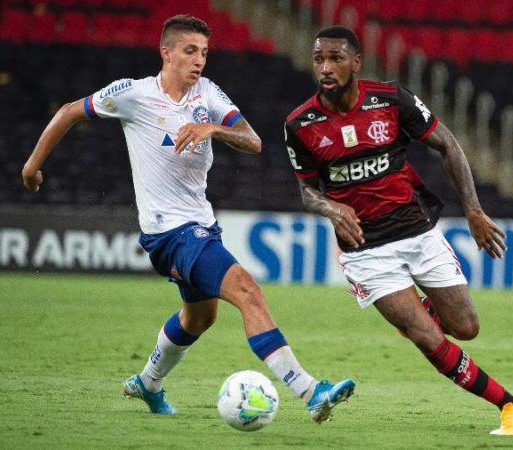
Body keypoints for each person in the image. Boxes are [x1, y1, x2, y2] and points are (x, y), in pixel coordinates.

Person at [21, 15, 354, 423]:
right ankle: (309, 390)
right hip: (169, 233)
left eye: (205, 53)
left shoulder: (208, 93)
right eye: (190, 51)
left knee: (201, 316)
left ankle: (147, 383)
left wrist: (212, 127)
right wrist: (32, 166)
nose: (199, 61)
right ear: (167, 52)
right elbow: (70, 111)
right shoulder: (133, 94)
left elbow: (254, 141)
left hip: (199, 225)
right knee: (248, 291)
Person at [283, 26, 513, 435]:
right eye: (318, 59)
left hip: (417, 232)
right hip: (365, 251)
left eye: (335, 58)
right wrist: (331, 207)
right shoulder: (300, 123)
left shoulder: (390, 100)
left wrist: (472, 210)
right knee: (425, 337)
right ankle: (511, 406)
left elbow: (448, 145)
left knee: (466, 327)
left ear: (356, 62)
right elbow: (308, 191)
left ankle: (419, 312)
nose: (325, 67)